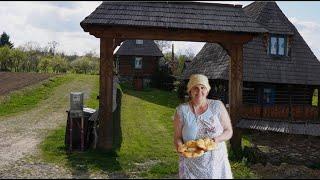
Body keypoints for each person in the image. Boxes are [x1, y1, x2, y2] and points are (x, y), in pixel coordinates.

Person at [173, 74, 233, 179]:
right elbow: (177, 136)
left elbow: (228, 131)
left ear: (207, 90)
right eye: (195, 88)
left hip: (215, 164)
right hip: (190, 164)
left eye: (203, 87)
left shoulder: (217, 106)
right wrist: (180, 147)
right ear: (190, 91)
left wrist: (215, 139)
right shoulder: (182, 110)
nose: (199, 91)